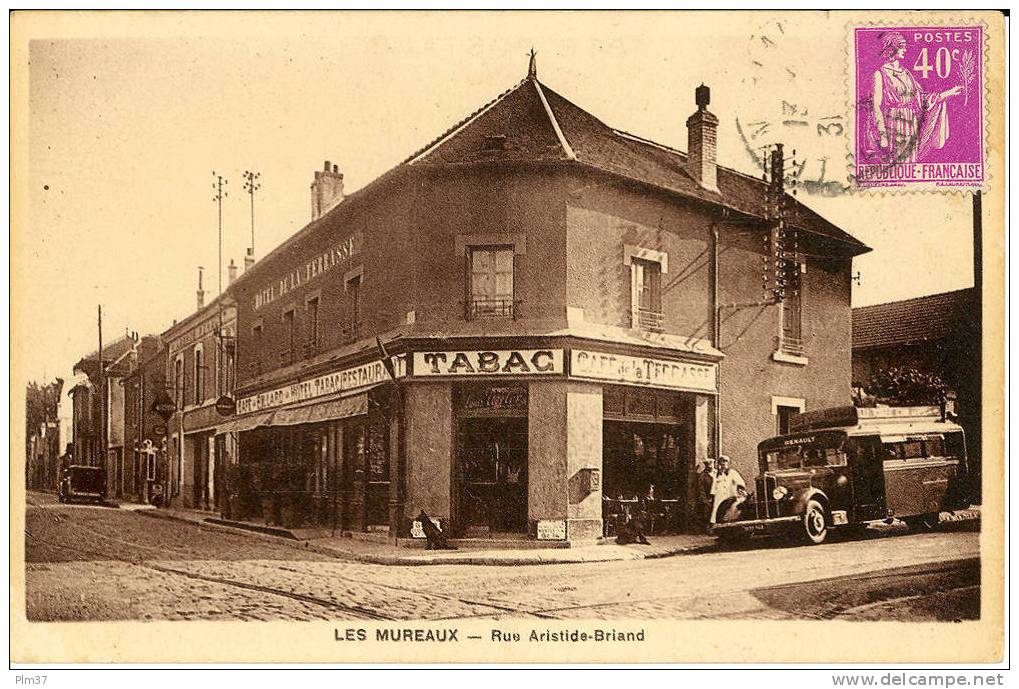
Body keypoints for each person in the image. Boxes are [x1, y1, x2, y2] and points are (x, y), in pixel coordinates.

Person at [865, 31, 963, 164]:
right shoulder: (880, 74)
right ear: (892, 47)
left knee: (910, 162)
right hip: (894, 123)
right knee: (896, 165)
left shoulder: (906, 74)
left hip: (911, 123)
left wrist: (947, 93)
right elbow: (875, 106)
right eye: (902, 46)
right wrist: (882, 136)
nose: (905, 49)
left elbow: (921, 99)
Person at [710, 455, 747, 525]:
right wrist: (712, 494)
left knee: (730, 509)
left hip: (729, 495)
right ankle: (716, 524)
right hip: (719, 496)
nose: (723, 463)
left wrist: (740, 490)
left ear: (728, 463)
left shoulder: (732, 472)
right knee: (717, 510)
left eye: (725, 462)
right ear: (719, 463)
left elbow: (740, 483)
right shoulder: (717, 474)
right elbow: (714, 486)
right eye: (721, 462)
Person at [697, 460, 716, 533]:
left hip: (717, 496)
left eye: (712, 465)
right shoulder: (703, 476)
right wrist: (705, 500)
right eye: (709, 465)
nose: (711, 466)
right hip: (708, 497)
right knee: (708, 513)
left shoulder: (717, 473)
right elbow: (701, 489)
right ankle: (708, 529)